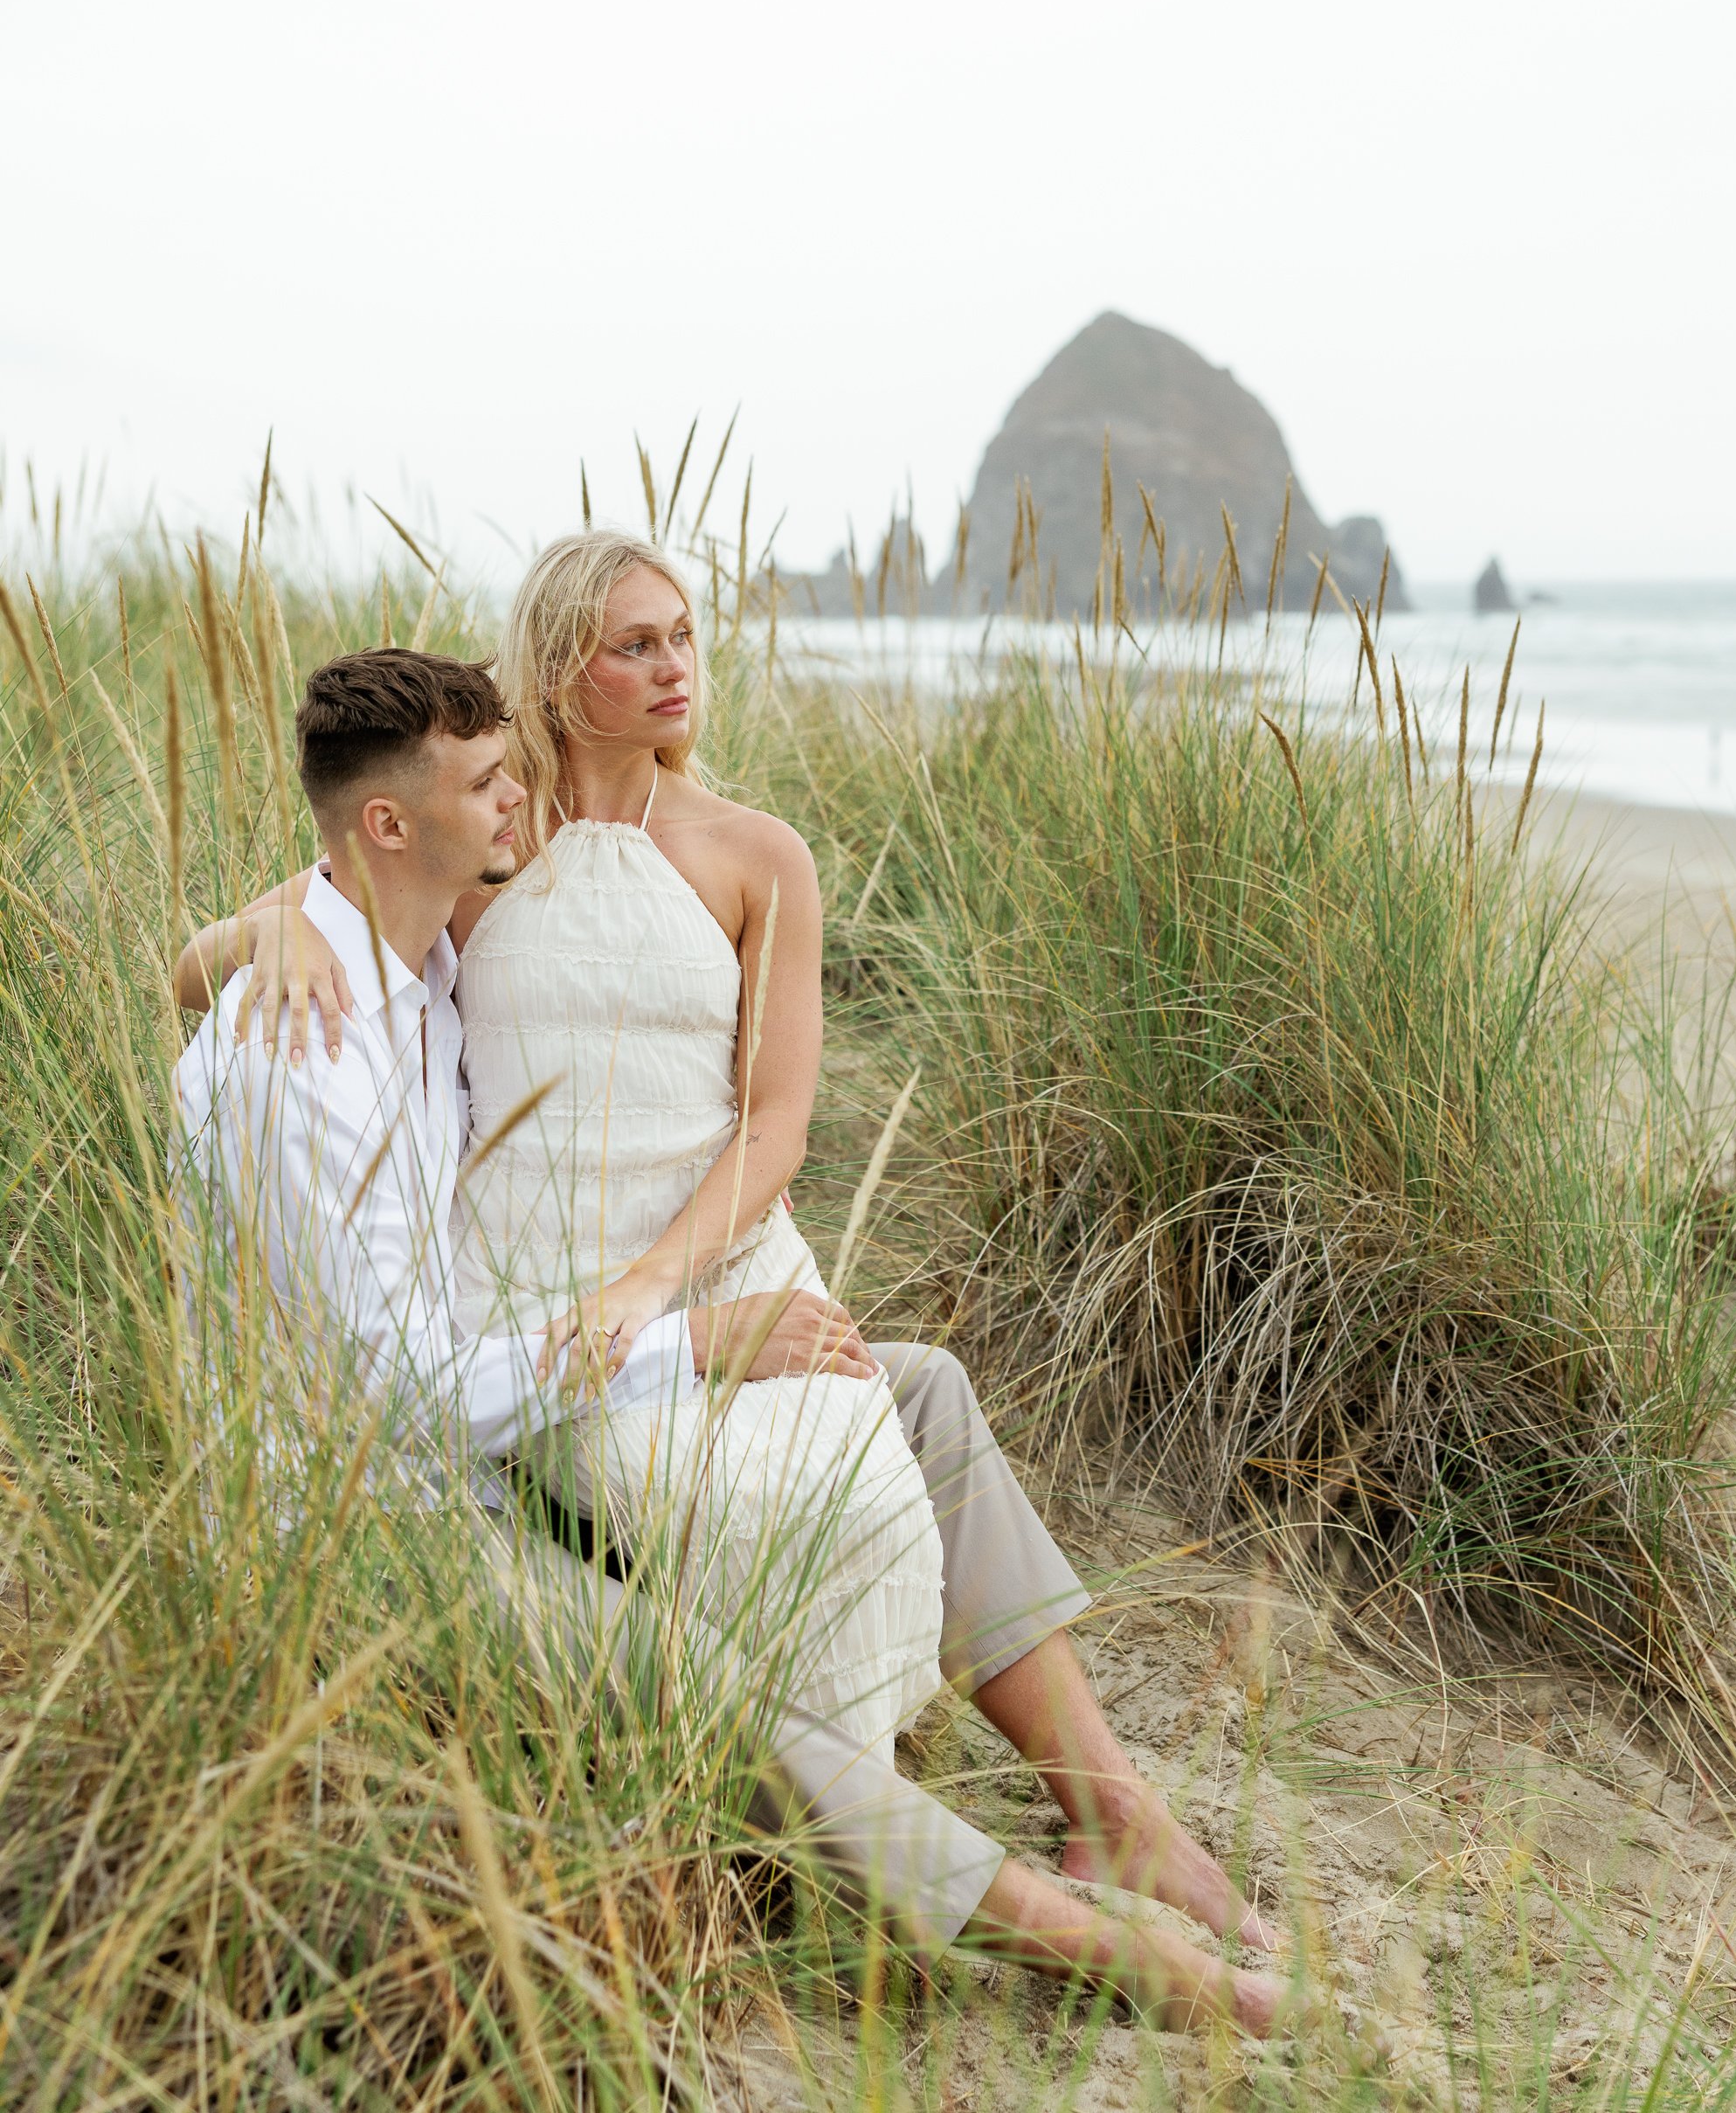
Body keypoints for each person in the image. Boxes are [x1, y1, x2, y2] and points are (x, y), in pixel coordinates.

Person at [177, 600, 1283, 2029]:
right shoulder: (301, 1052)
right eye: (486, 786)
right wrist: (683, 1342)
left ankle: (1110, 1805)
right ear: (401, 828)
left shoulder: (419, 955)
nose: (519, 805)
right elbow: (397, 1397)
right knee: (717, 1693)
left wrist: (272, 925)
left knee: (922, 1388)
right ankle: (1115, 1958)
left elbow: (343, 887)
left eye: (517, 776)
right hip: (366, 1503)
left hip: (513, 1367)